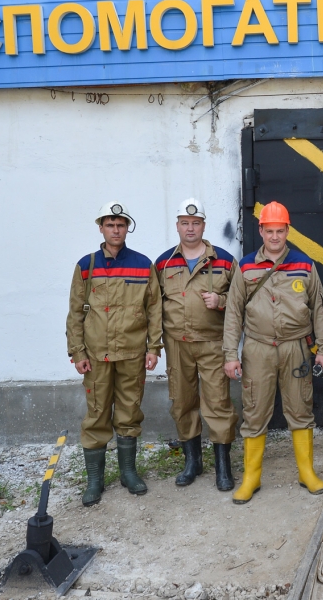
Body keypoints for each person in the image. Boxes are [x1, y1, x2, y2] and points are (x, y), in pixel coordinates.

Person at [222, 201, 323, 504]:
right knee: (255, 411)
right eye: (269, 231)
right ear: (260, 230)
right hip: (257, 348)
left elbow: (320, 311)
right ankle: (251, 477)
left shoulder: (304, 264)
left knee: (300, 409)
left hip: (296, 347)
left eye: (279, 231)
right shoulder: (245, 266)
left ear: (287, 230)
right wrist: (231, 354)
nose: (274, 237)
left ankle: (306, 472)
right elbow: (233, 313)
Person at [66, 201, 163, 506]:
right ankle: (95, 481)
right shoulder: (87, 265)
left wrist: (154, 347)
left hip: (132, 353)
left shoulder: (142, 264)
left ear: (127, 228)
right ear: (101, 228)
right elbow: (75, 313)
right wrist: (77, 351)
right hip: (96, 355)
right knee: (96, 414)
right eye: (110, 225)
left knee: (129, 412)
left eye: (121, 225)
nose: (116, 230)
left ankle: (128, 473)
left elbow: (154, 309)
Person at [154, 198, 237, 490]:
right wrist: (154, 346)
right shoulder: (163, 262)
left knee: (218, 403)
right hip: (177, 345)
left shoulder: (225, 260)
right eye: (185, 223)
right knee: (183, 402)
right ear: (177, 226)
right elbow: (154, 306)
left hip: (213, 343)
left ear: (204, 225)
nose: (190, 228)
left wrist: (221, 301)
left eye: (196, 223)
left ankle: (223, 467)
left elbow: (241, 303)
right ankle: (193, 462)